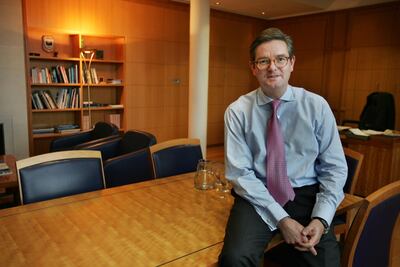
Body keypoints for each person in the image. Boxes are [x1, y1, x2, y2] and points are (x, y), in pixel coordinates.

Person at [218, 28, 347, 267]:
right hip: (257, 195)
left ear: (292, 63)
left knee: (326, 262)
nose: (272, 67)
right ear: (253, 67)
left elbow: (335, 168)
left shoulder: (316, 106)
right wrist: (282, 220)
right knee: (235, 258)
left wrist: (321, 219)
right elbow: (240, 174)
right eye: (263, 60)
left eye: (280, 59)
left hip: (306, 194)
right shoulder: (237, 111)